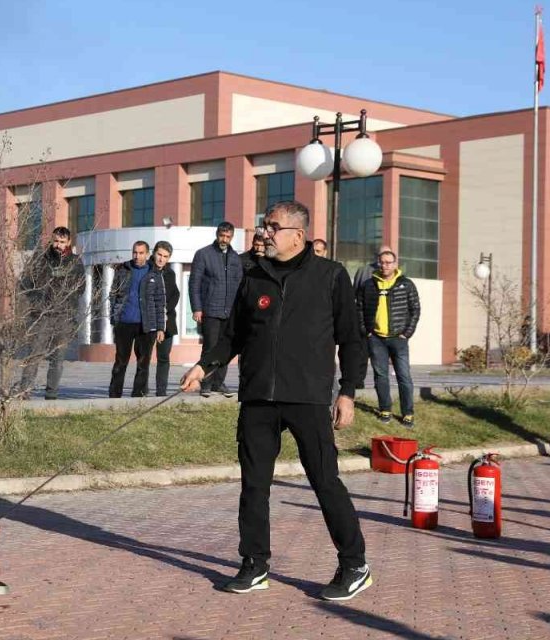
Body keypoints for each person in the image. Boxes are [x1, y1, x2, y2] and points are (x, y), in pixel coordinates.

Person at [179, 200, 371, 602]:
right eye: (264, 226)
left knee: (325, 481)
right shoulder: (254, 276)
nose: (264, 233)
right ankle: (254, 564)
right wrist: (204, 366)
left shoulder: (330, 276)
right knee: (254, 485)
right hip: (258, 397)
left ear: (297, 235)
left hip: (307, 397)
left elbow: (352, 340)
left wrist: (348, 391)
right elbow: (234, 335)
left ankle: (355, 564)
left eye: (272, 227)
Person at [356, 250, 421, 427]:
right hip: (376, 338)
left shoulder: (406, 284)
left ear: (395, 264)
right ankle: (385, 409)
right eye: (382, 262)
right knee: (380, 376)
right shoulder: (369, 284)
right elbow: (359, 308)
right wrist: (366, 331)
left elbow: (415, 309)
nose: (385, 266)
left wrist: (406, 333)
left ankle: (407, 413)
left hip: (399, 338)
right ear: (378, 263)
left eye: (388, 262)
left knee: (404, 376)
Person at [19, 226, 85, 400]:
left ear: (68, 242)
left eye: (62, 242)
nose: (58, 245)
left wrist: (67, 304)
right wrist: (38, 304)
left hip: (63, 318)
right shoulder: (40, 260)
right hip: (42, 316)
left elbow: (81, 288)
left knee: (58, 359)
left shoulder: (75, 262)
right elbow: (25, 284)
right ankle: (23, 392)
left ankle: (51, 395)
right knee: (34, 355)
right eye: (56, 241)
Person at [188, 222, 242, 398]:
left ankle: (219, 383)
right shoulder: (203, 254)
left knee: (226, 348)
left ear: (232, 237)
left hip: (230, 311)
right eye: (222, 236)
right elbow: (194, 283)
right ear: (217, 234)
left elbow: (239, 285)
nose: (224, 239)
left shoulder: (236, 258)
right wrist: (197, 308)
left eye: (228, 237)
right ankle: (206, 383)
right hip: (210, 310)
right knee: (210, 348)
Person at [108, 241, 166, 398]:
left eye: (141, 253)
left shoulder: (154, 273)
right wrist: (114, 318)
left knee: (143, 363)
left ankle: (138, 395)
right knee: (121, 361)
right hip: (124, 323)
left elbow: (160, 302)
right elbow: (113, 294)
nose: (137, 256)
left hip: (146, 326)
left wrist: (160, 328)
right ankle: (114, 395)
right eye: (135, 252)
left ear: (147, 254)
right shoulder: (123, 270)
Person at [151, 241, 181, 397]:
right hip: (148, 320)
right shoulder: (146, 270)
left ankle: (161, 391)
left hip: (167, 321)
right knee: (144, 358)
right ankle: (139, 390)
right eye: (159, 255)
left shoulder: (170, 273)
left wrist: (165, 311)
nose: (161, 259)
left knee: (163, 358)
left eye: (165, 256)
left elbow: (175, 294)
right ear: (153, 253)